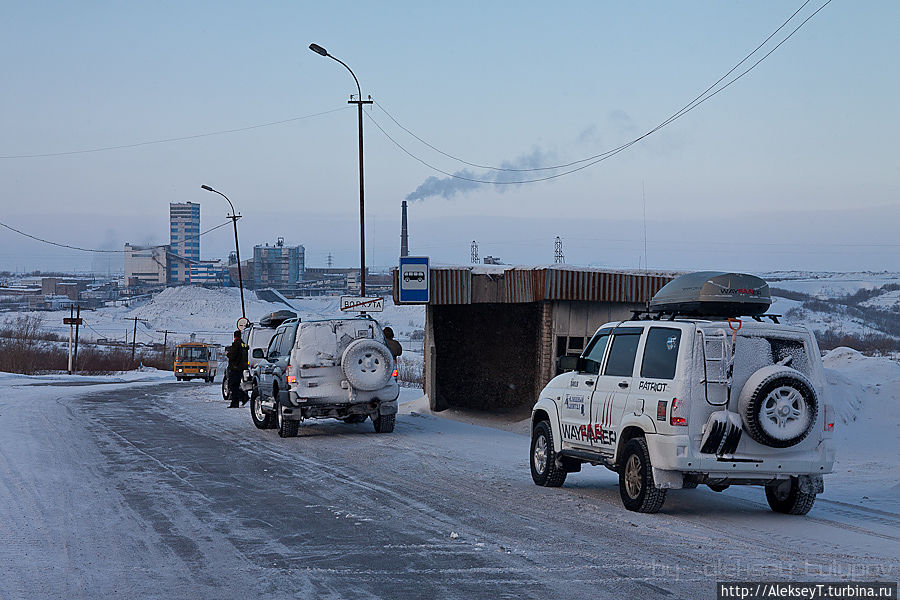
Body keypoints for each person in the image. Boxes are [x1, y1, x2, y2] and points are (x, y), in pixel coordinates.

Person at [224, 330, 248, 408]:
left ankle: (239, 400)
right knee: (236, 385)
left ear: (234, 336)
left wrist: (228, 354)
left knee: (232, 385)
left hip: (235, 368)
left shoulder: (236, 344)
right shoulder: (243, 344)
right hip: (241, 367)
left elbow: (233, 356)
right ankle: (240, 399)